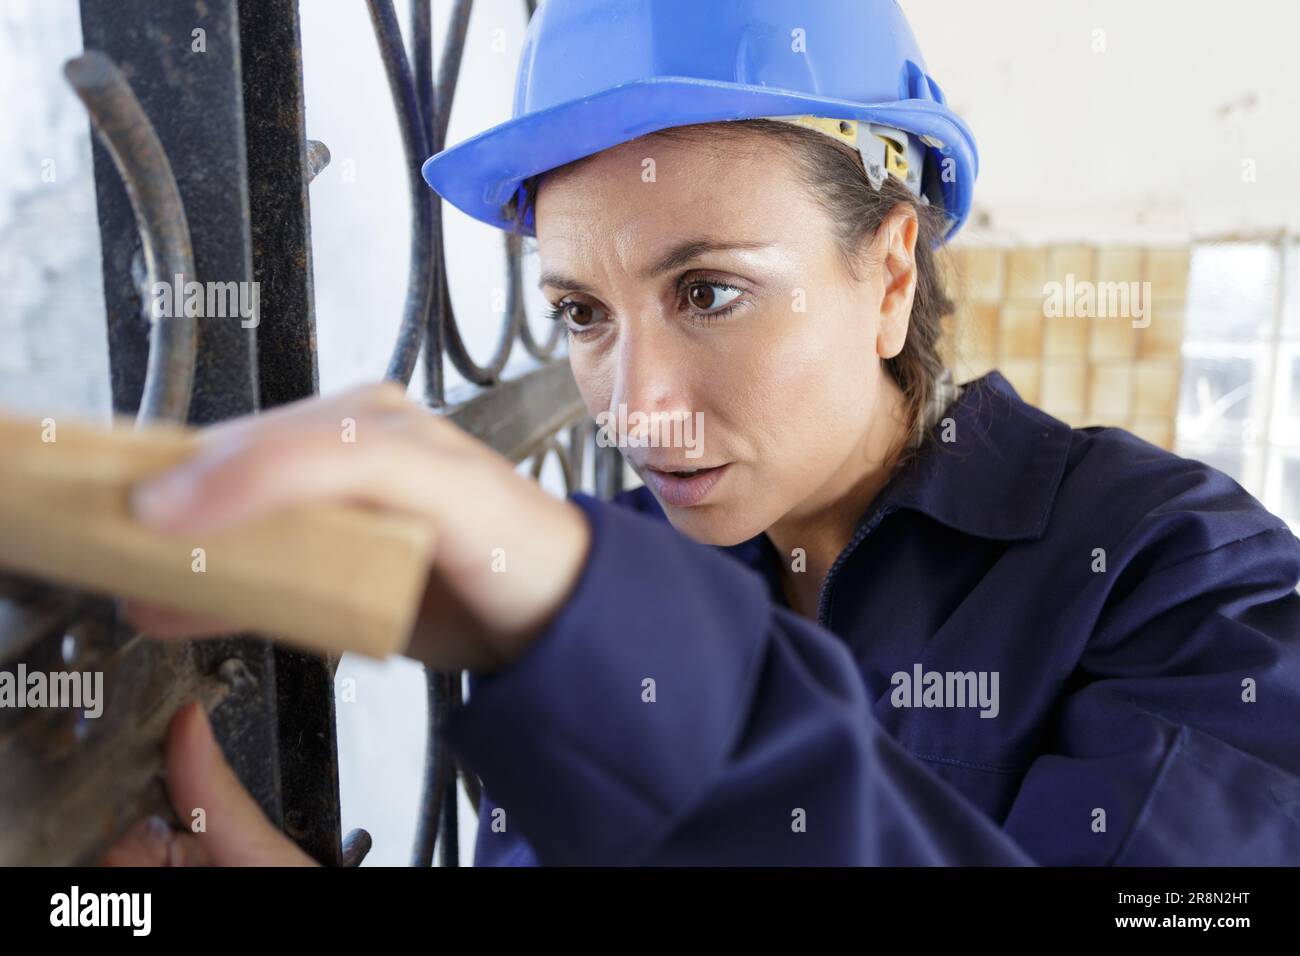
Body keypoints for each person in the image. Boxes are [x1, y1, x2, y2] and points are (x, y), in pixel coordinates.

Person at [106, 0, 1300, 866]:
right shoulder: (608, 570)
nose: (636, 406)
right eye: (579, 312)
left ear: (888, 275)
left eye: (709, 292)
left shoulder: (1182, 577)